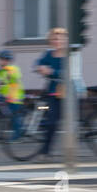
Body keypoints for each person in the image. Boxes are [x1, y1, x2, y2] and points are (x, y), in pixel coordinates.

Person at [33, 28, 67, 159]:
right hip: (53, 93)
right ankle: (45, 152)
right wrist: (39, 68)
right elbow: (37, 63)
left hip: (68, 94)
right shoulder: (48, 54)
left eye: (60, 39)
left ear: (65, 40)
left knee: (70, 123)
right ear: (51, 41)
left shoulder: (70, 55)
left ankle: (70, 151)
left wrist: (51, 71)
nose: (57, 41)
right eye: (54, 39)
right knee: (51, 123)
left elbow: (68, 73)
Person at [0, 49, 24, 141]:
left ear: (7, 60)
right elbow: (1, 83)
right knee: (3, 116)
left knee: (14, 117)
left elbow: (15, 80)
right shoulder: (2, 71)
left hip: (14, 97)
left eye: (1, 59)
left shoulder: (13, 69)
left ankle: (17, 136)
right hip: (5, 97)